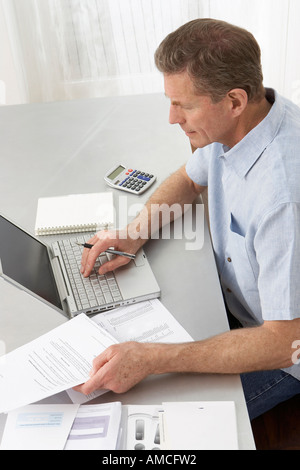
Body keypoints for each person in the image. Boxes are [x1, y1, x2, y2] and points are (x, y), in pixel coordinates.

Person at [75, 18, 300, 420]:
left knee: (152, 420)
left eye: (185, 105)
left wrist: (153, 359)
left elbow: (285, 341)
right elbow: (187, 178)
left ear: (234, 101)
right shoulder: (241, 124)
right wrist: (133, 234)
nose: (171, 118)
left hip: (282, 354)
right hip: (239, 309)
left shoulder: (283, 198)